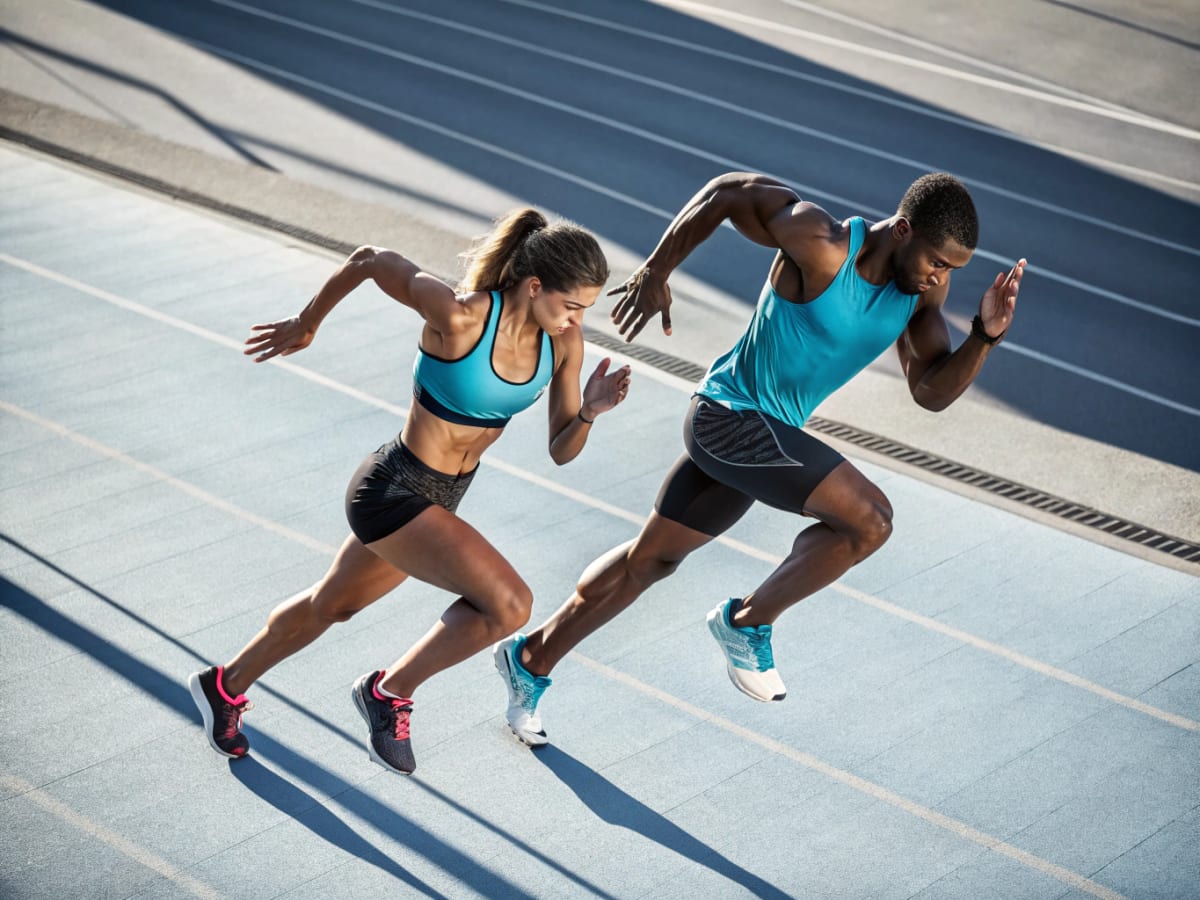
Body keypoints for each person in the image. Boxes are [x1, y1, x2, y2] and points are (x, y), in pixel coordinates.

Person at [493, 171, 1026, 745]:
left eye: (951, 271)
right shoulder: (820, 244)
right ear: (902, 230)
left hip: (760, 441)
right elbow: (730, 192)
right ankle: (745, 623)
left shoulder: (920, 294)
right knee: (870, 519)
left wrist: (984, 336)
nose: (939, 278)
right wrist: (657, 268)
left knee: (648, 562)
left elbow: (930, 391)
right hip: (729, 418)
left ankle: (530, 659)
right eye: (937, 262)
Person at [189, 208, 632, 774]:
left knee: (332, 604)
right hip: (393, 490)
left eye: (585, 311)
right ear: (535, 285)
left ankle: (222, 686)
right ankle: (388, 692)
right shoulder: (460, 316)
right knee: (509, 605)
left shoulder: (563, 345)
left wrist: (589, 412)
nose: (576, 320)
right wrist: (307, 323)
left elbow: (561, 449)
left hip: (443, 497)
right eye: (571, 306)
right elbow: (372, 260)